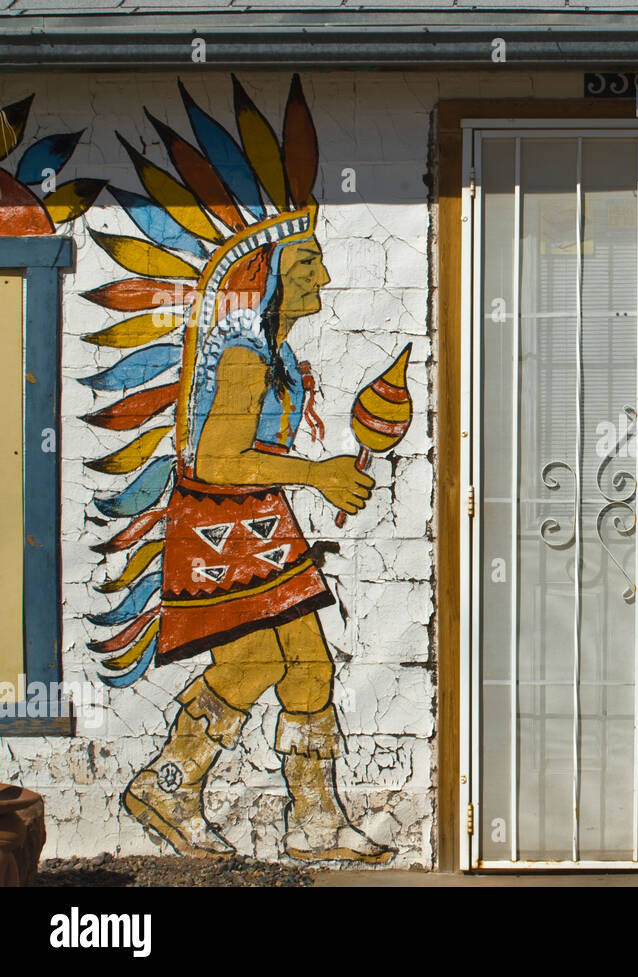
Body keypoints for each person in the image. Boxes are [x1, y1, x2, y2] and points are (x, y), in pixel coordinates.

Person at [86, 76, 393, 862]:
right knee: (266, 658)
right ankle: (178, 784)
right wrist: (319, 472)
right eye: (309, 266)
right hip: (222, 521)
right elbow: (217, 455)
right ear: (269, 281)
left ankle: (297, 814)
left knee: (303, 663)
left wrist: (317, 471)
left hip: (250, 517)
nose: (322, 278)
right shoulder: (248, 356)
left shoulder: (273, 352)